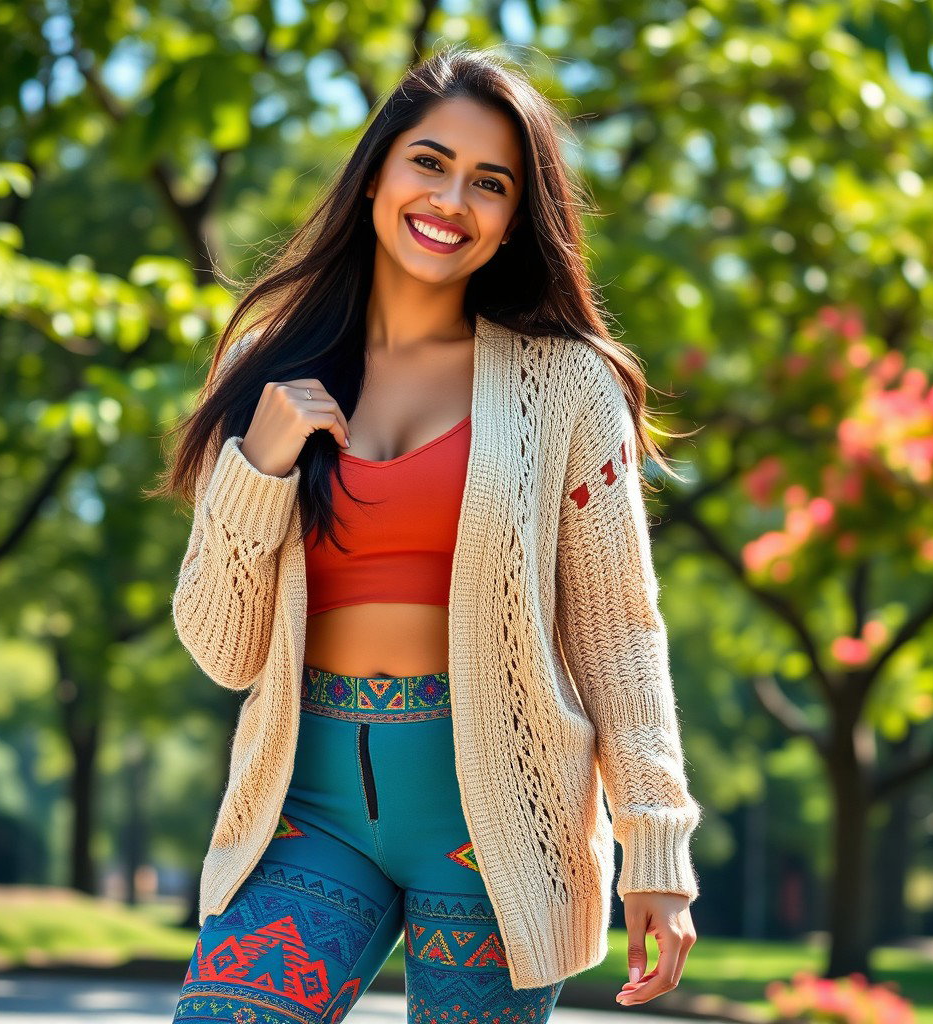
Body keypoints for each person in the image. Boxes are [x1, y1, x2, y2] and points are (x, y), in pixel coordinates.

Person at [159, 43, 702, 1024]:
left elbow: (620, 632)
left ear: (510, 223)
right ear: (376, 171)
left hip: (496, 828)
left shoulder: (566, 386)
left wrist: (655, 847)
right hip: (306, 809)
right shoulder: (265, 366)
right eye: (429, 160)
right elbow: (223, 647)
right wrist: (260, 467)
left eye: (489, 183)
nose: (452, 198)